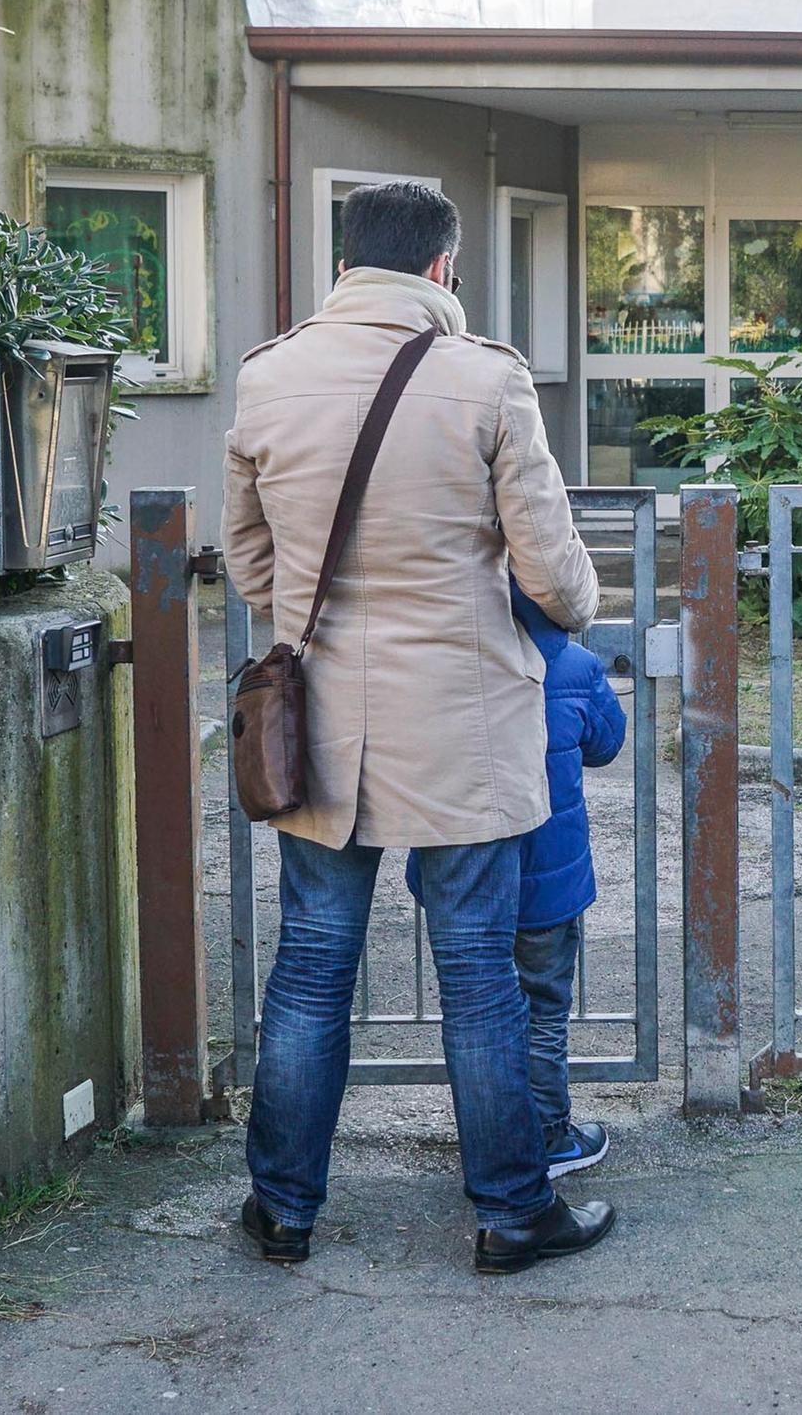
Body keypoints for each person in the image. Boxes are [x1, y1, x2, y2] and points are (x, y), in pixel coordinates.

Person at [224, 180, 613, 1274]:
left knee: (309, 967)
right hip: (463, 724)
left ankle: (283, 1208)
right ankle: (510, 1211)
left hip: (319, 732)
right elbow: (556, 577)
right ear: (443, 268)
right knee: (481, 969)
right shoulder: (487, 379)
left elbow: (252, 563)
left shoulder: (265, 376)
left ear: (345, 261)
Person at [405, 577, 626, 1181]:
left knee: (476, 1004)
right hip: (550, 884)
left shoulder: (448, 663)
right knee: (545, 1009)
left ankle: (489, 1134)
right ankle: (550, 1135)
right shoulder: (575, 664)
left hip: (460, 869)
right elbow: (607, 743)